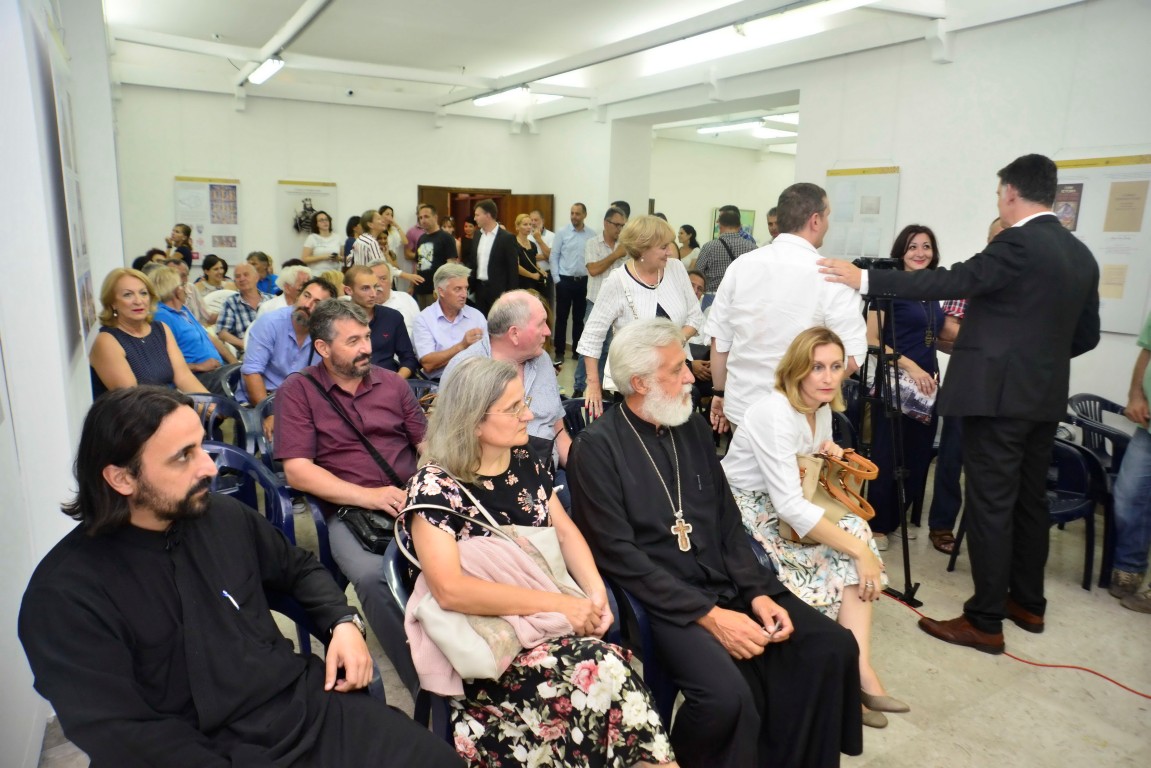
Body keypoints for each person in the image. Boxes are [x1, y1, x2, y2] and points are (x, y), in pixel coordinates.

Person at [18, 386, 460, 767]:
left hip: (300, 710)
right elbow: (120, 732)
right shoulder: (65, 595)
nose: (210, 468)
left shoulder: (222, 516)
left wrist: (343, 622)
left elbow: (299, 570)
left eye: (202, 446)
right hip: (192, 748)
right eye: (184, 457)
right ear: (121, 478)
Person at [820, 153, 1101, 653]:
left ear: (1010, 192)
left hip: (997, 399)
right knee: (1029, 502)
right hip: (1042, 399)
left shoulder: (1017, 242)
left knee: (991, 503)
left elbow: (950, 280)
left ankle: (984, 620)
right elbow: (1086, 335)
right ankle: (1028, 603)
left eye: (998, 193)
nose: (999, 200)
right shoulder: (1079, 254)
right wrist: (1035, 361)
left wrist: (865, 279)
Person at [570, 318, 862, 768]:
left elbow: (727, 522)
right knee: (727, 700)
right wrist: (710, 616)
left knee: (831, 647)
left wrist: (758, 592)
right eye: (677, 369)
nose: (692, 376)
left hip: (729, 581)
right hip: (665, 603)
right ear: (640, 383)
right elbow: (617, 554)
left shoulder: (691, 427)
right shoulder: (596, 448)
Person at [403, 356, 676, 767]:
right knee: (609, 675)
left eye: (524, 403)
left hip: (549, 628)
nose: (529, 416)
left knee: (611, 682)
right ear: (473, 422)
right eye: (514, 408)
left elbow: (564, 531)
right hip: (491, 654)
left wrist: (595, 594)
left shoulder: (524, 458)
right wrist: (564, 605)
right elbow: (450, 590)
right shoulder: (435, 487)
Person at [724, 327, 906, 730]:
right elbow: (788, 505)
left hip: (782, 504)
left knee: (855, 530)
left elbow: (801, 481)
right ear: (796, 369)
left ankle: (856, 670)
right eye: (817, 367)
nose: (828, 377)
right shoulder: (775, 413)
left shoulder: (819, 409)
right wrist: (860, 552)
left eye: (836, 367)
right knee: (852, 547)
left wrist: (827, 452)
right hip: (744, 510)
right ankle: (852, 676)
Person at [277, 299, 429, 697]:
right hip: (350, 510)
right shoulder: (298, 391)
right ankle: (425, 686)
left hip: (410, 497)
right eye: (353, 341)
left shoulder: (392, 384)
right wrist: (370, 496)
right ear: (323, 348)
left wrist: (428, 481)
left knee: (465, 551)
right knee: (373, 576)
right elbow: (298, 471)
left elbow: (426, 444)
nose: (366, 348)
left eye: (366, 337)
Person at [707, 182, 868, 432]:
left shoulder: (741, 266)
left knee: (742, 460)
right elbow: (853, 359)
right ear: (816, 220)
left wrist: (719, 392)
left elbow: (720, 341)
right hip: (800, 412)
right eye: (827, 216)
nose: (827, 223)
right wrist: (809, 392)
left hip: (743, 406)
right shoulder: (833, 276)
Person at [863, 224, 946, 550]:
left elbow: (933, 336)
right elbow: (871, 340)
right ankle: (877, 526)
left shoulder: (932, 290)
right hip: (896, 386)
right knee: (888, 456)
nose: (920, 253)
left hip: (927, 388)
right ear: (901, 252)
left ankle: (896, 519)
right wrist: (910, 366)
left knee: (917, 457)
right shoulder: (887, 289)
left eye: (926, 246)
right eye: (913, 247)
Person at [927, 216, 1006, 555]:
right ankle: (942, 525)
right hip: (967, 382)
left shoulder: (1025, 281)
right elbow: (947, 330)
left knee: (992, 465)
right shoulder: (975, 276)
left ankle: (983, 532)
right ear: (988, 241)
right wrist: (995, 341)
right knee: (952, 457)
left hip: (1007, 388)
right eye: (998, 237)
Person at [579, 215, 702, 419]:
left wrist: (673, 343)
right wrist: (593, 385)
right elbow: (591, 337)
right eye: (663, 247)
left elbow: (695, 317)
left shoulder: (676, 268)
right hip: (637, 382)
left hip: (676, 373)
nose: (670, 252)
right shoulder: (617, 281)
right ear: (643, 248)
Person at [442, 291, 570, 473]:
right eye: (541, 324)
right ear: (514, 333)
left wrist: (582, 473)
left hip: (548, 473)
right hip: (490, 478)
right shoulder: (465, 370)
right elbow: (452, 444)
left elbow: (558, 432)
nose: (548, 332)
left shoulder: (542, 360)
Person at [89, 268, 208, 396]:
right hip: (137, 407)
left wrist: (212, 403)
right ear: (112, 303)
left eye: (143, 293)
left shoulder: (161, 329)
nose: (138, 301)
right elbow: (132, 399)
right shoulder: (106, 341)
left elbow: (184, 377)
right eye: (128, 295)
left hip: (168, 402)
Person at [240, 276, 336, 430]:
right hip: (262, 399)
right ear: (297, 296)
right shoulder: (270, 323)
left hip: (299, 402)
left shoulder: (325, 334)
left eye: (317, 303)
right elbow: (251, 372)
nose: (307, 305)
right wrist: (269, 413)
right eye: (306, 296)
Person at [1109, 309, 1151, 612]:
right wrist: (1135, 396)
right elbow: (1147, 352)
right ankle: (1130, 567)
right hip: (1147, 428)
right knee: (1127, 496)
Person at [152, 266, 238, 394]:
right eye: (183, 285)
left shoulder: (183, 310)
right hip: (196, 378)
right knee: (247, 380)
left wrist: (234, 363)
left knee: (249, 372)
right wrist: (199, 367)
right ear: (174, 290)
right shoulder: (161, 317)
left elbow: (209, 337)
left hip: (217, 370)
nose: (188, 290)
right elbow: (162, 366)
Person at [575, 206, 630, 397]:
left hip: (619, 304)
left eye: (623, 226)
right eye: (617, 225)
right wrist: (616, 255)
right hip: (596, 302)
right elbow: (593, 269)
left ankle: (601, 387)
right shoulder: (593, 243)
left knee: (608, 348)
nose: (620, 229)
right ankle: (579, 386)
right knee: (589, 346)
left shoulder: (626, 246)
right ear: (606, 223)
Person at [412, 263, 488, 380]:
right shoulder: (424, 319)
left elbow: (490, 353)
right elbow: (428, 364)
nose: (464, 295)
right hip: (439, 385)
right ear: (441, 291)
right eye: (458, 289)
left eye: (466, 288)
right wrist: (462, 346)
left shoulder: (476, 316)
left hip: (475, 381)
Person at [344, 265, 418, 377]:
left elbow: (408, 359)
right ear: (349, 290)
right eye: (365, 288)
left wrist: (395, 381)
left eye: (375, 287)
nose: (373, 294)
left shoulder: (393, 317)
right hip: (350, 381)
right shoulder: (338, 321)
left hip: (388, 380)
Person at [550, 203, 597, 364]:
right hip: (564, 280)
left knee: (579, 318)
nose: (574, 216)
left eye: (577, 213)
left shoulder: (591, 235)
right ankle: (559, 352)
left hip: (583, 282)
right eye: (572, 213)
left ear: (584, 215)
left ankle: (577, 351)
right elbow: (554, 256)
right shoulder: (562, 233)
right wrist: (557, 280)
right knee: (562, 318)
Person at [463, 198, 518, 315]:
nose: (475, 218)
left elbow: (512, 269)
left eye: (477, 215)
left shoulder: (507, 238)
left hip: (499, 291)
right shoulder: (477, 235)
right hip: (479, 289)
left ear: (488, 215)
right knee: (480, 322)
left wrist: (511, 294)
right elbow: (473, 263)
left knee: (498, 323)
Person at [695, 206, 756, 294]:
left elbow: (698, 273)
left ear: (720, 226)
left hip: (713, 296)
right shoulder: (753, 248)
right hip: (741, 296)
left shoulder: (708, 247)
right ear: (740, 226)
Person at [216, 262, 272, 356]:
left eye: (246, 275)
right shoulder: (231, 303)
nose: (242, 279)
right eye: (238, 276)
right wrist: (245, 344)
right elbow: (222, 333)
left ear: (256, 277)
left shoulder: (271, 300)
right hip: (248, 354)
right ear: (235, 282)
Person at [413, 203, 458, 308]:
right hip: (420, 289)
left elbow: (451, 265)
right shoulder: (421, 238)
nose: (423, 220)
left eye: (426, 216)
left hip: (437, 290)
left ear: (435, 217)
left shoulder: (446, 238)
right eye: (420, 218)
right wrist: (412, 286)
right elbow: (417, 263)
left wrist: (443, 287)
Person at [370, 258, 420, 335]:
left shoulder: (406, 298)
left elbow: (420, 328)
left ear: (391, 282)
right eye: (373, 279)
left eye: (383, 279)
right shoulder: (363, 308)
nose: (378, 284)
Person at [528, 209, 555, 312]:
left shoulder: (552, 236)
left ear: (542, 220)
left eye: (536, 220)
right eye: (531, 220)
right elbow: (525, 257)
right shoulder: (526, 235)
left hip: (546, 276)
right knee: (531, 308)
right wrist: (545, 255)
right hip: (530, 275)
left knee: (547, 307)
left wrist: (539, 239)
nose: (533, 223)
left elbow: (551, 257)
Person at [301, 210, 343, 275]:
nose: (325, 222)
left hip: (334, 275)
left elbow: (342, 258)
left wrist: (338, 258)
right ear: (316, 224)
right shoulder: (312, 238)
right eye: (321, 220)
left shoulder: (337, 237)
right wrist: (323, 257)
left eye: (326, 219)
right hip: (317, 275)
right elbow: (304, 259)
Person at [512, 212, 546, 292]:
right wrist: (531, 275)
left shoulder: (532, 244)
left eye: (530, 224)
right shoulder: (513, 244)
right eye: (525, 224)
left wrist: (540, 269)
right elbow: (516, 266)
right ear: (517, 227)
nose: (529, 227)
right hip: (520, 282)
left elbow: (533, 261)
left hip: (533, 283)